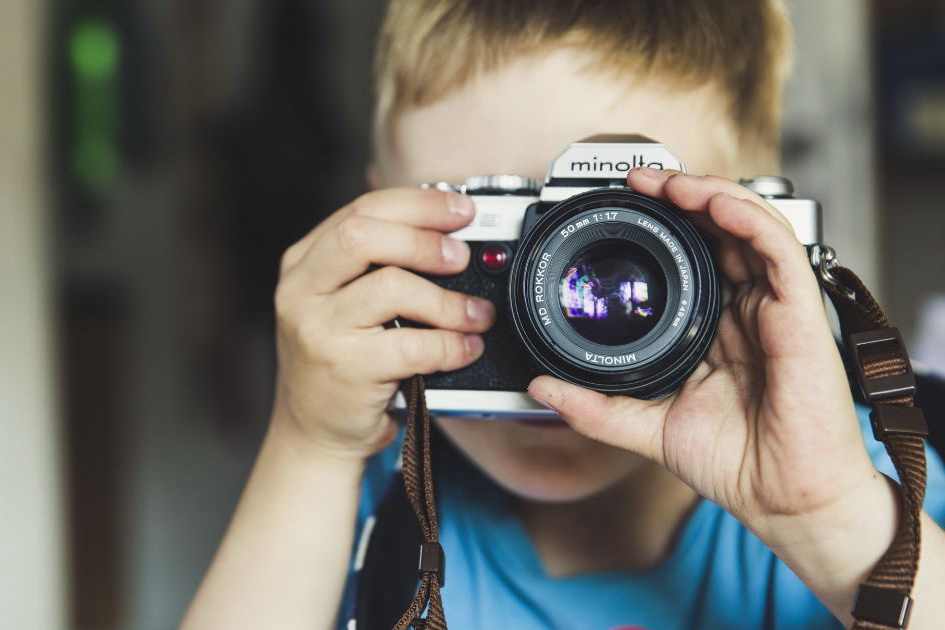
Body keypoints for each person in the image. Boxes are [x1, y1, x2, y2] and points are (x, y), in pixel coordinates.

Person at [182, 1, 945, 628]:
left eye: (627, 235)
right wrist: (309, 442)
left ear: (749, 228)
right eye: (501, 236)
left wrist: (831, 524)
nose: (552, 324)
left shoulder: (856, 484)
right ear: (381, 225)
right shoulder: (369, 501)